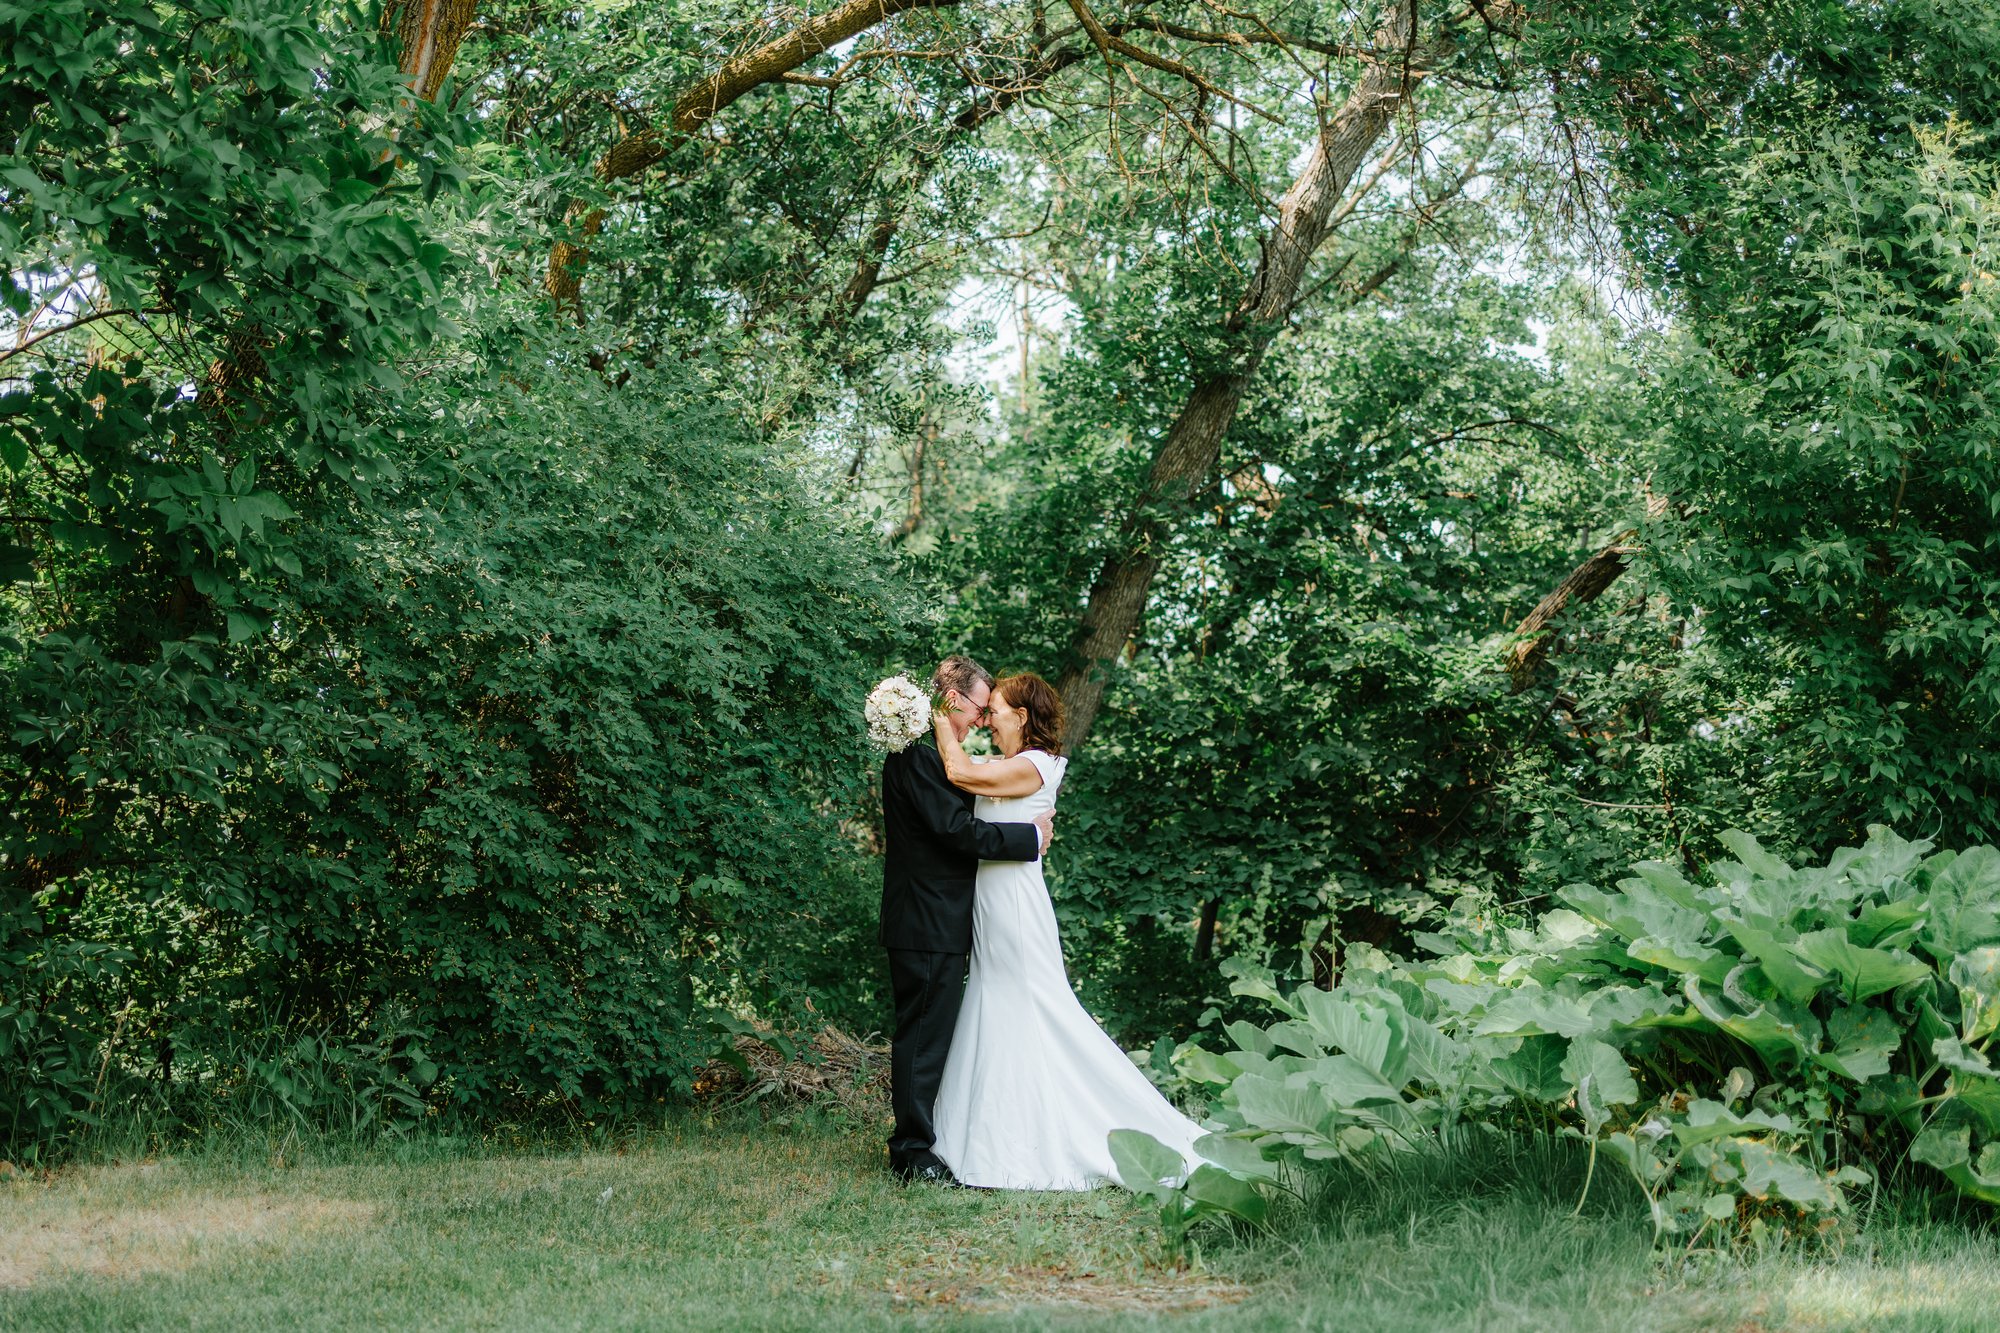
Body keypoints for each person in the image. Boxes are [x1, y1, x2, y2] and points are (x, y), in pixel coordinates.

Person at [929, 671, 1206, 1190]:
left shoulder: (1036, 765)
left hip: (1014, 904)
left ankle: (1104, 1127)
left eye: (998, 709)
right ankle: (994, 1133)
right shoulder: (1008, 763)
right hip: (989, 902)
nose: (987, 716)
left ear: (1022, 716)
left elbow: (958, 772)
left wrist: (939, 716)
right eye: (982, 710)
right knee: (997, 1005)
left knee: (1033, 1005)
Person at [878, 655, 1052, 1185]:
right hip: (926, 919)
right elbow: (958, 833)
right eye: (979, 707)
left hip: (933, 919)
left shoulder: (926, 755)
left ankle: (923, 1142)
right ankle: (911, 1153)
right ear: (953, 700)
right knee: (923, 1038)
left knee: (929, 1035)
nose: (981, 719)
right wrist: (1030, 840)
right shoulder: (918, 759)